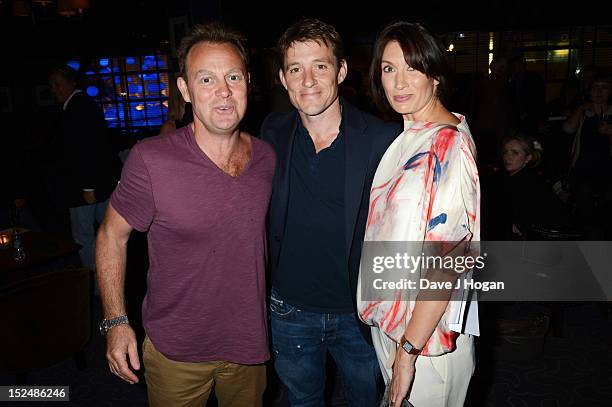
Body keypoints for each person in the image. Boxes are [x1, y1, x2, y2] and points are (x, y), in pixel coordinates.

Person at [96, 22, 275, 407]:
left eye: (232, 77)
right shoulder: (151, 160)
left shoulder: (266, 157)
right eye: (206, 79)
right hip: (176, 349)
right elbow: (112, 235)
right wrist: (115, 320)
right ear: (185, 90)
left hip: (249, 343)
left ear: (247, 82)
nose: (223, 91)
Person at [261, 18, 401, 406]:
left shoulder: (382, 139)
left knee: (366, 399)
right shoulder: (271, 132)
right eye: (295, 69)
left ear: (340, 70)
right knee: (302, 399)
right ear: (283, 78)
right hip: (289, 309)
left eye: (320, 66)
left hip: (358, 312)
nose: (308, 80)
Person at [357, 22, 480, 407]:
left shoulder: (447, 145)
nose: (399, 82)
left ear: (436, 75)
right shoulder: (412, 133)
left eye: (412, 67)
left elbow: (450, 260)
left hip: (425, 340)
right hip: (396, 324)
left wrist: (408, 353)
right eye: (389, 69)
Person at [48, 66, 121, 273]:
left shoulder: (77, 108)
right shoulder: (81, 105)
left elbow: (87, 148)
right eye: (52, 85)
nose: (54, 89)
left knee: (84, 237)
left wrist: (88, 187)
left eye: (57, 84)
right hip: (95, 183)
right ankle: (111, 274)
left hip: (84, 187)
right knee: (107, 231)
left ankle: (95, 283)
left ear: (72, 84)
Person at [562, 69, 612, 239]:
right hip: (583, 171)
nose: (599, 92)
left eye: (604, 87)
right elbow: (567, 129)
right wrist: (581, 109)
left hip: (607, 173)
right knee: (588, 216)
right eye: (595, 87)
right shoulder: (584, 112)